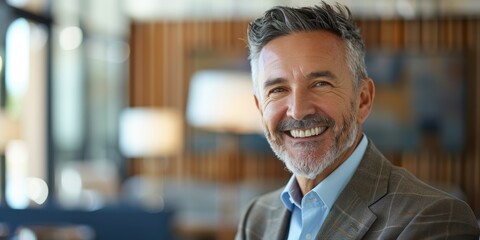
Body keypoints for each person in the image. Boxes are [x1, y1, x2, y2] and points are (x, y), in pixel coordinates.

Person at [236, 2, 480, 239]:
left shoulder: (433, 218)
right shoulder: (256, 219)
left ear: (363, 100)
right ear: (260, 108)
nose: (298, 111)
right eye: (278, 90)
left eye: (321, 84)